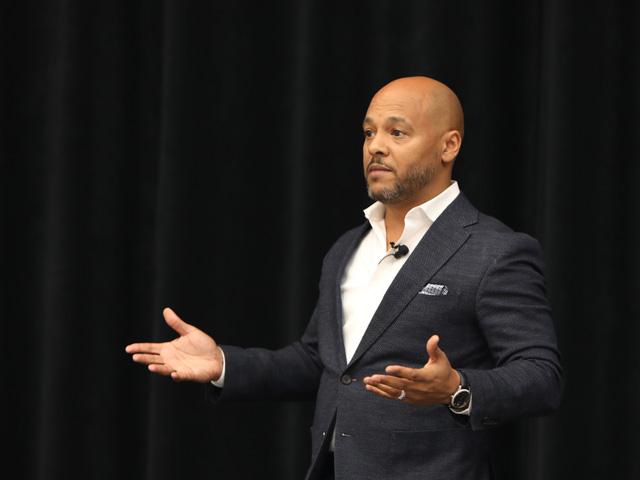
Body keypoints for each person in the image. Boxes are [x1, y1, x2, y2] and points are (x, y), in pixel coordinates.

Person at [126, 76, 564, 479]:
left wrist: (458, 388)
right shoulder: (347, 248)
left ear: (448, 146)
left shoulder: (494, 250)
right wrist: (223, 364)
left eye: (397, 132)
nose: (376, 146)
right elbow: (322, 364)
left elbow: (541, 376)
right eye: (369, 132)